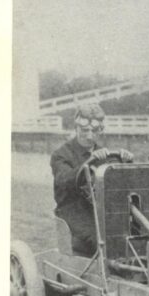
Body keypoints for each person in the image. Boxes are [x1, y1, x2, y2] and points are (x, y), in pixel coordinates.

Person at [50, 103, 133, 255]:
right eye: (84, 130)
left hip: (99, 209)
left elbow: (115, 183)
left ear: (100, 130)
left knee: (131, 230)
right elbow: (64, 180)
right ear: (76, 128)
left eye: (94, 131)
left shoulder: (103, 153)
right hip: (73, 211)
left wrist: (125, 162)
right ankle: (110, 272)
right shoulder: (61, 154)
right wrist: (88, 162)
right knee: (101, 238)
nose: (89, 135)